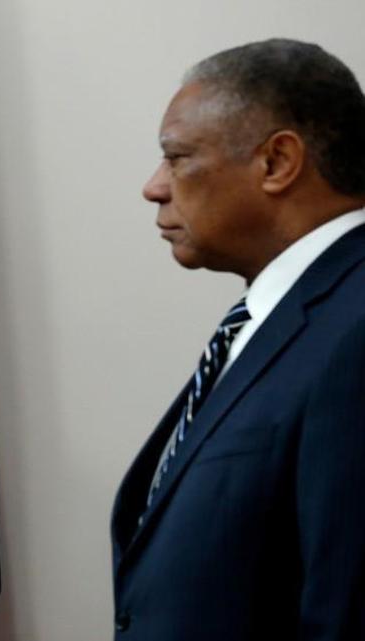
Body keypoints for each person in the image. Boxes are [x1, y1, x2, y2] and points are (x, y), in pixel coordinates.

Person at [111, 39, 365, 640]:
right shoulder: (285, 318)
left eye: (176, 158)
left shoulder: (355, 328)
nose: (154, 186)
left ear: (277, 162)